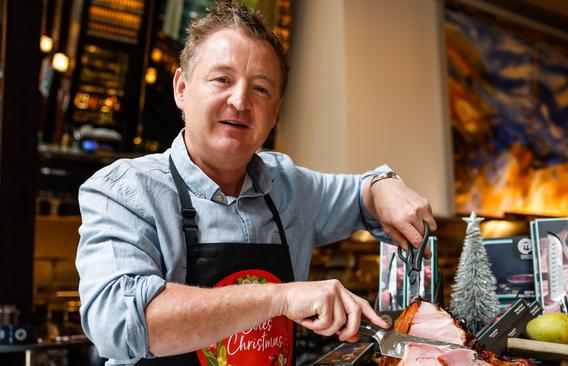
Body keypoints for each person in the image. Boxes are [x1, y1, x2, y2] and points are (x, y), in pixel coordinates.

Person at [76, 2, 436, 365]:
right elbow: (120, 325)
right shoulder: (123, 191)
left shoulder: (291, 187)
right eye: (222, 79)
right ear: (182, 88)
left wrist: (384, 184)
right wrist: (281, 298)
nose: (240, 100)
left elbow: (362, 194)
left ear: (275, 111)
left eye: (261, 89)